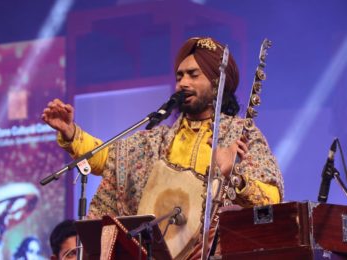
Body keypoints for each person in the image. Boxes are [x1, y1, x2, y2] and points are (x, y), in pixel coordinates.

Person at [42, 37, 284, 258]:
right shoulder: (155, 141)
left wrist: (234, 175)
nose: (183, 83)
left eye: (193, 74)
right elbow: (108, 159)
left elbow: (271, 200)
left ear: (217, 82)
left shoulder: (241, 135)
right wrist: (72, 133)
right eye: (179, 76)